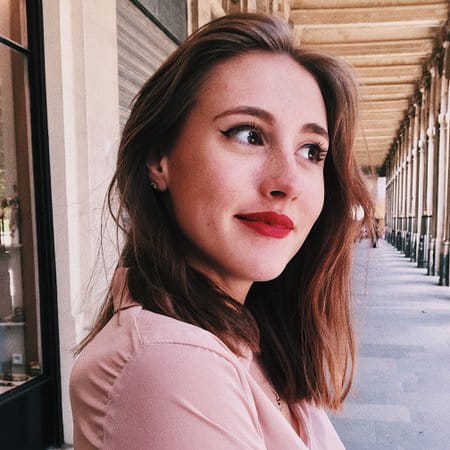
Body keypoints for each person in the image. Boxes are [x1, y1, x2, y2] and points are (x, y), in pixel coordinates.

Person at [70, 12, 373, 450]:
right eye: (248, 134)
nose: (288, 183)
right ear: (159, 160)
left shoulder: (255, 337)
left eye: (311, 150)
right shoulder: (172, 361)